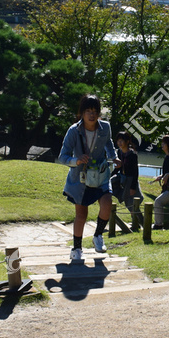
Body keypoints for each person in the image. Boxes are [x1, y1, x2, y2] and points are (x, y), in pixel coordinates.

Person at [57, 94, 120, 261]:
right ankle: (76, 249)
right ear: (82, 113)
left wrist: (113, 156)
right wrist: (76, 160)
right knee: (81, 214)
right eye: (88, 111)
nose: (91, 115)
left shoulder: (105, 127)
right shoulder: (73, 131)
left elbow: (108, 142)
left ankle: (98, 236)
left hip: (100, 175)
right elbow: (62, 157)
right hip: (80, 178)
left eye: (94, 111)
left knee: (107, 201)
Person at [114, 131, 143, 226]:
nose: (119, 143)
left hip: (131, 180)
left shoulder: (132, 154)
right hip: (124, 179)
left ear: (127, 141)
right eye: (118, 141)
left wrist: (133, 187)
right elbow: (118, 167)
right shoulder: (119, 152)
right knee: (128, 202)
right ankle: (137, 223)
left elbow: (135, 172)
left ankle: (141, 222)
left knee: (131, 203)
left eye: (121, 141)